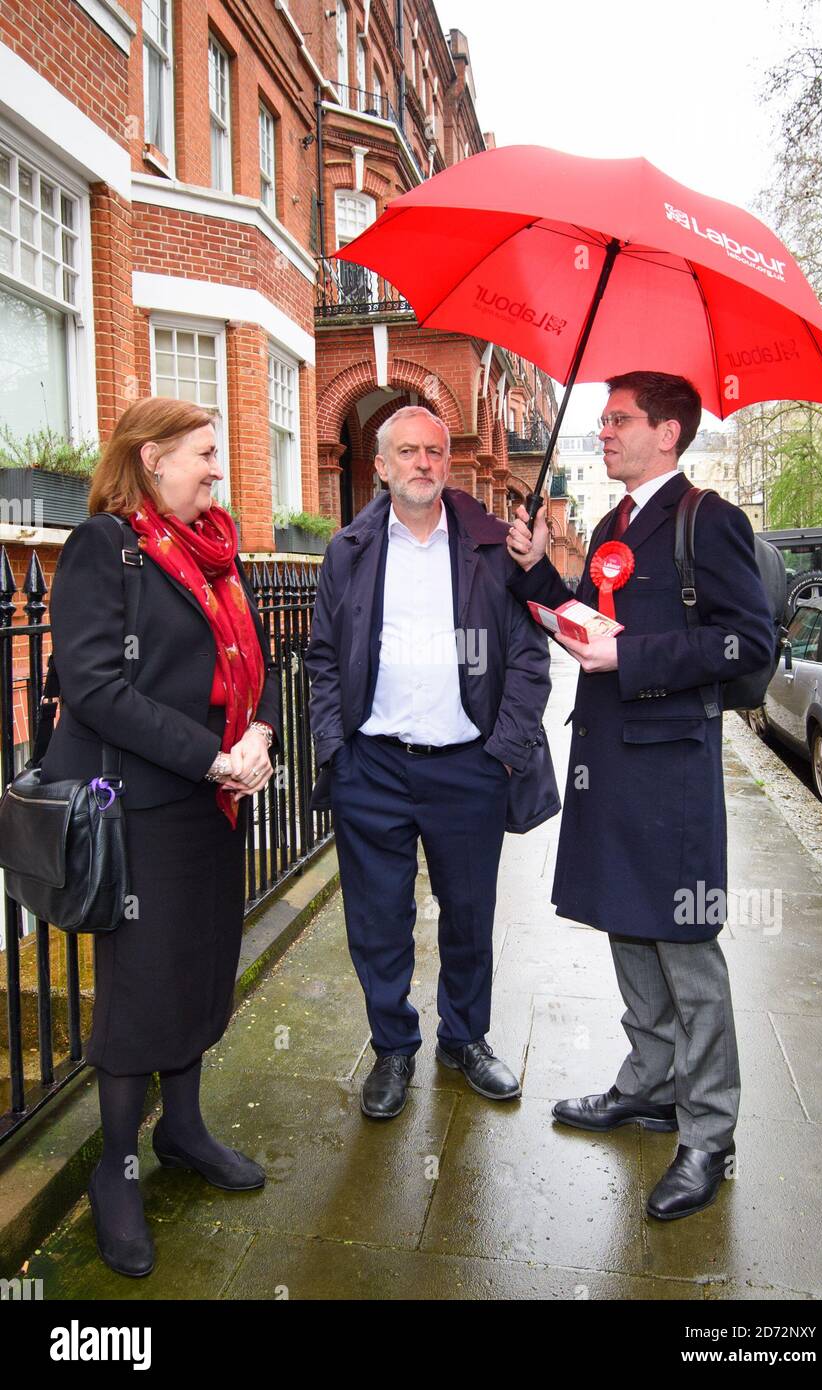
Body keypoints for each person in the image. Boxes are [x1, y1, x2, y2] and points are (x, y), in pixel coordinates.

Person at [507, 371, 775, 1221]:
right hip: (609, 760)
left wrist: (637, 661)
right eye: (604, 419)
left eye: (618, 420)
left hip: (671, 770)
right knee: (628, 924)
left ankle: (708, 1133)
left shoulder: (709, 520)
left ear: (668, 433)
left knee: (686, 947)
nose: (604, 432)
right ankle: (651, 1085)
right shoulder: (617, 525)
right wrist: (536, 573)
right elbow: (589, 621)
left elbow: (746, 643)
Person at [42, 397, 279, 1276]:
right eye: (205, 454)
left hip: (208, 806)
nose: (217, 469)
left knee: (201, 967)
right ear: (151, 458)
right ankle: (117, 1169)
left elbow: (244, 668)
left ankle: (182, 1131)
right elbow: (97, 688)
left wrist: (257, 741)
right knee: (141, 992)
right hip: (137, 810)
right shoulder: (105, 548)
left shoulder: (212, 550)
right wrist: (214, 759)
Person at [305, 406, 556, 1120]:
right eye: (407, 452)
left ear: (448, 464)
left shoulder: (488, 547)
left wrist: (503, 755)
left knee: (469, 915)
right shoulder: (349, 549)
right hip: (372, 768)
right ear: (380, 466)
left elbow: (530, 657)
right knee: (378, 919)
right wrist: (335, 750)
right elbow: (323, 658)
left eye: (436, 452)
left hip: (467, 768)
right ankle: (392, 1047)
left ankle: (465, 1038)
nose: (423, 462)